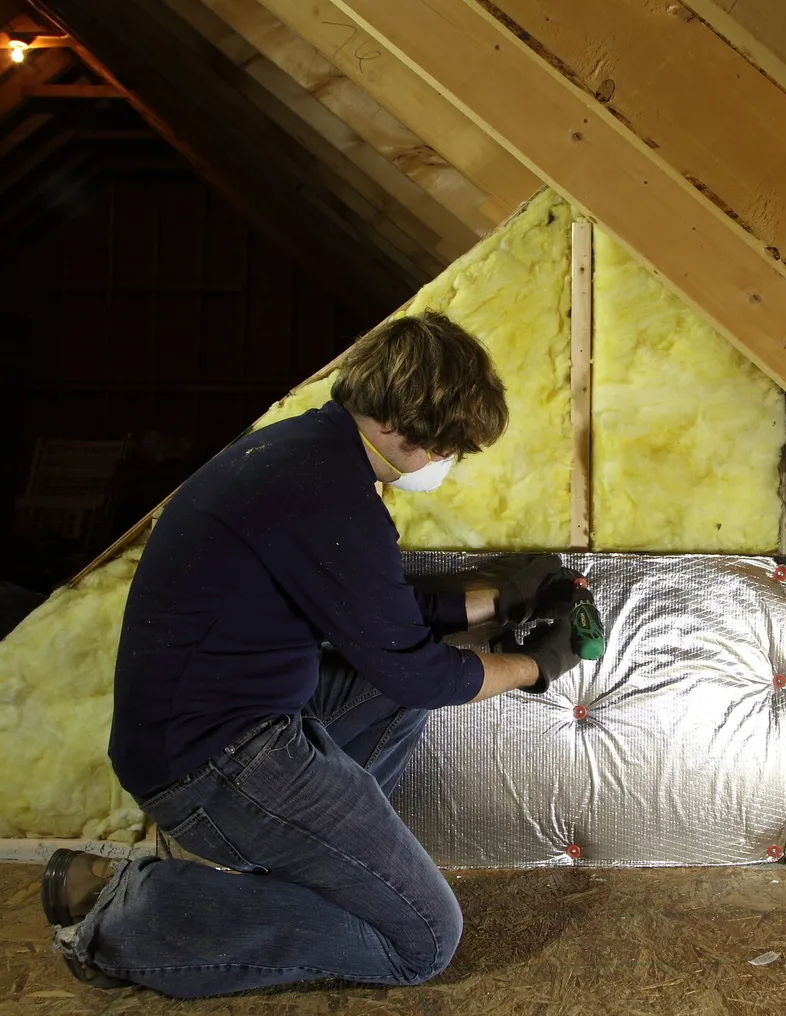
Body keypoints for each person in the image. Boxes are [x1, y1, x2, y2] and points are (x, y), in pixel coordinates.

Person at [39, 312, 588, 997]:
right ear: (402, 425)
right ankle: (121, 914)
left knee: (382, 691)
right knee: (421, 939)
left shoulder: (304, 456)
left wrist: (505, 597)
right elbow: (416, 673)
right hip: (211, 766)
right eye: (446, 448)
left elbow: (375, 614)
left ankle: (333, 860)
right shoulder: (328, 494)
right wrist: (543, 664)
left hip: (208, 726)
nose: (444, 464)